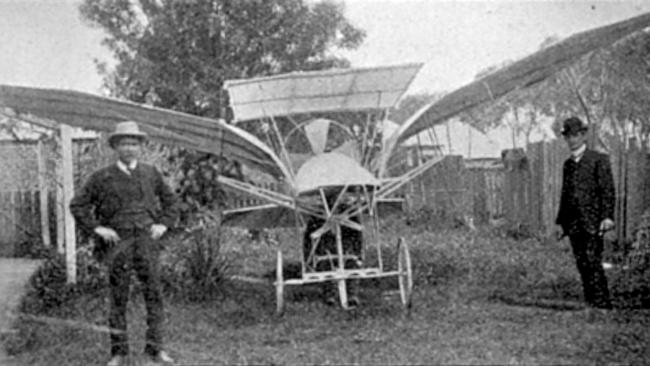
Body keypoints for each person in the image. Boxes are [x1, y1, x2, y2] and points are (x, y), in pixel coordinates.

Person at [70, 121, 178, 366]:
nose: (129, 148)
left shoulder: (151, 173)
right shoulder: (102, 177)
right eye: (124, 143)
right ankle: (119, 352)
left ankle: (156, 349)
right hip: (118, 244)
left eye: (134, 143)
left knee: (154, 294)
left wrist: (162, 224)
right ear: (115, 146)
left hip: (146, 242)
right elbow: (78, 205)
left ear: (140, 146)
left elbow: (172, 202)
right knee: (119, 297)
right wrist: (98, 228)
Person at [555, 116, 615, 310]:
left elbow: (607, 190)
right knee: (582, 262)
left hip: (592, 221)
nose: (572, 140)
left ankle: (603, 304)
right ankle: (591, 303)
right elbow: (565, 195)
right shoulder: (568, 165)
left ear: (583, 136)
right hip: (573, 223)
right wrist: (561, 223)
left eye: (575, 135)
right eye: (568, 136)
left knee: (592, 261)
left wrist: (607, 216)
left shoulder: (598, 160)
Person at [303, 190, 363, 308]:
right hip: (326, 251)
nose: (334, 202)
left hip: (346, 251)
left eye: (336, 199)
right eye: (330, 200)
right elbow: (309, 237)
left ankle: (352, 295)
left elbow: (358, 235)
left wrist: (358, 254)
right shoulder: (317, 216)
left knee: (352, 265)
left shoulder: (350, 213)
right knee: (326, 266)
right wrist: (309, 258)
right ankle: (330, 295)